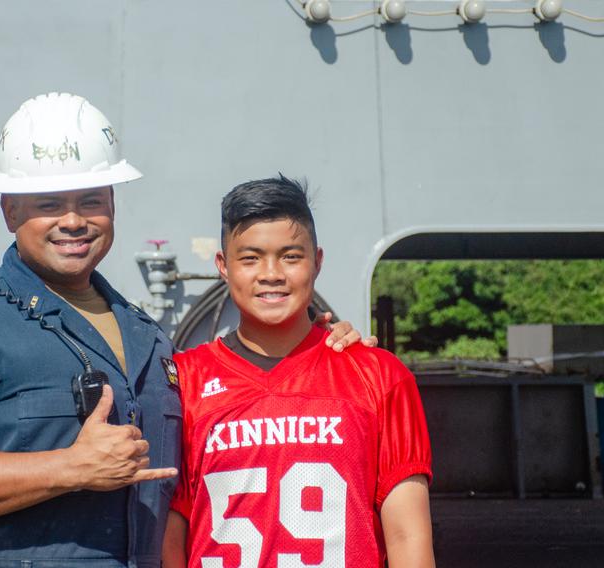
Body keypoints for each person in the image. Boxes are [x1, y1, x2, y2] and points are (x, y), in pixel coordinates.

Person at [0, 93, 372, 568]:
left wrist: (325, 352)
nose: (73, 220)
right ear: (9, 211)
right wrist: (68, 468)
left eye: (91, 200)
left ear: (112, 205)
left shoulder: (147, 338)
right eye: (48, 203)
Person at [162, 175, 434, 568]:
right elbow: (172, 538)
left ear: (317, 261)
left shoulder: (379, 375)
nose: (271, 273)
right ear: (223, 266)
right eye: (250, 258)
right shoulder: (184, 381)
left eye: (291, 256)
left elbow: (408, 536)